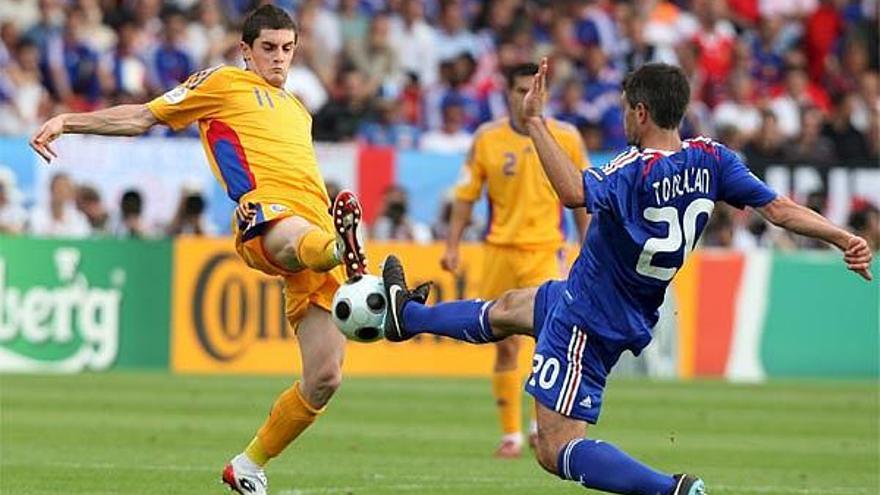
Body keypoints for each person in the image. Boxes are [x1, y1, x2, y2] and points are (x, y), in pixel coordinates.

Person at [380, 61, 873, 495]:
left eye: (623, 110)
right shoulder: (712, 158)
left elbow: (574, 191)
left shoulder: (632, 170)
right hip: (616, 303)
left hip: (588, 315)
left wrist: (533, 122)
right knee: (511, 307)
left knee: (555, 448)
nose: (621, 119)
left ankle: (671, 490)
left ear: (640, 112)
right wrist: (841, 236)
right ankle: (408, 316)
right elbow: (781, 210)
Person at [29, 6, 368, 495]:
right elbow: (143, 116)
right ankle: (340, 247)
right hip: (265, 215)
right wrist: (68, 120)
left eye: (287, 49)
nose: (279, 58)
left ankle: (247, 465)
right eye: (268, 48)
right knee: (295, 236)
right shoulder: (222, 83)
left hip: (314, 229)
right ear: (245, 50)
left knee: (325, 378)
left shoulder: (299, 110)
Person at [441, 62, 589, 458]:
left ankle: (544, 427)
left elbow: (582, 197)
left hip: (545, 251)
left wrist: (591, 248)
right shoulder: (487, 138)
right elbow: (466, 196)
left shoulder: (566, 137)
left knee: (551, 340)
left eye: (533, 89)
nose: (527, 97)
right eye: (519, 89)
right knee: (504, 344)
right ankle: (511, 435)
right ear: (505, 93)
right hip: (499, 251)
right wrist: (452, 245)